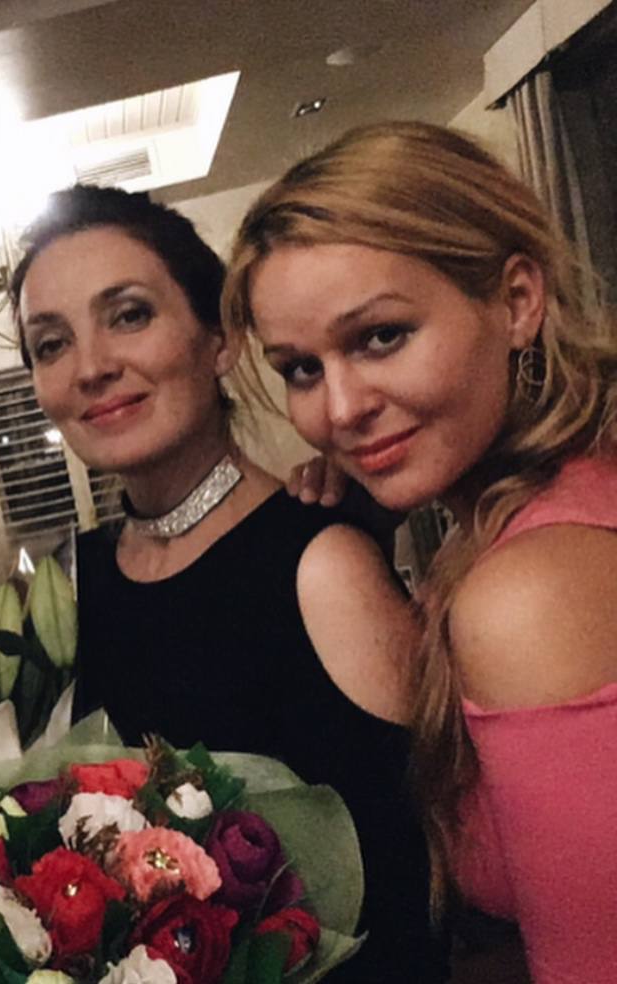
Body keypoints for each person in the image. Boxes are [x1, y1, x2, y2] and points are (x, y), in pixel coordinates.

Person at [9, 184, 447, 982]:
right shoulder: (72, 586)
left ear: (220, 338)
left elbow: (420, 888)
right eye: (50, 344)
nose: (92, 367)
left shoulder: (322, 562)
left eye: (129, 315)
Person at [222, 120, 617, 983]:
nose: (340, 409)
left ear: (517, 301)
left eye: (381, 337)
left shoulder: (530, 595)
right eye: (300, 369)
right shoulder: (553, 506)